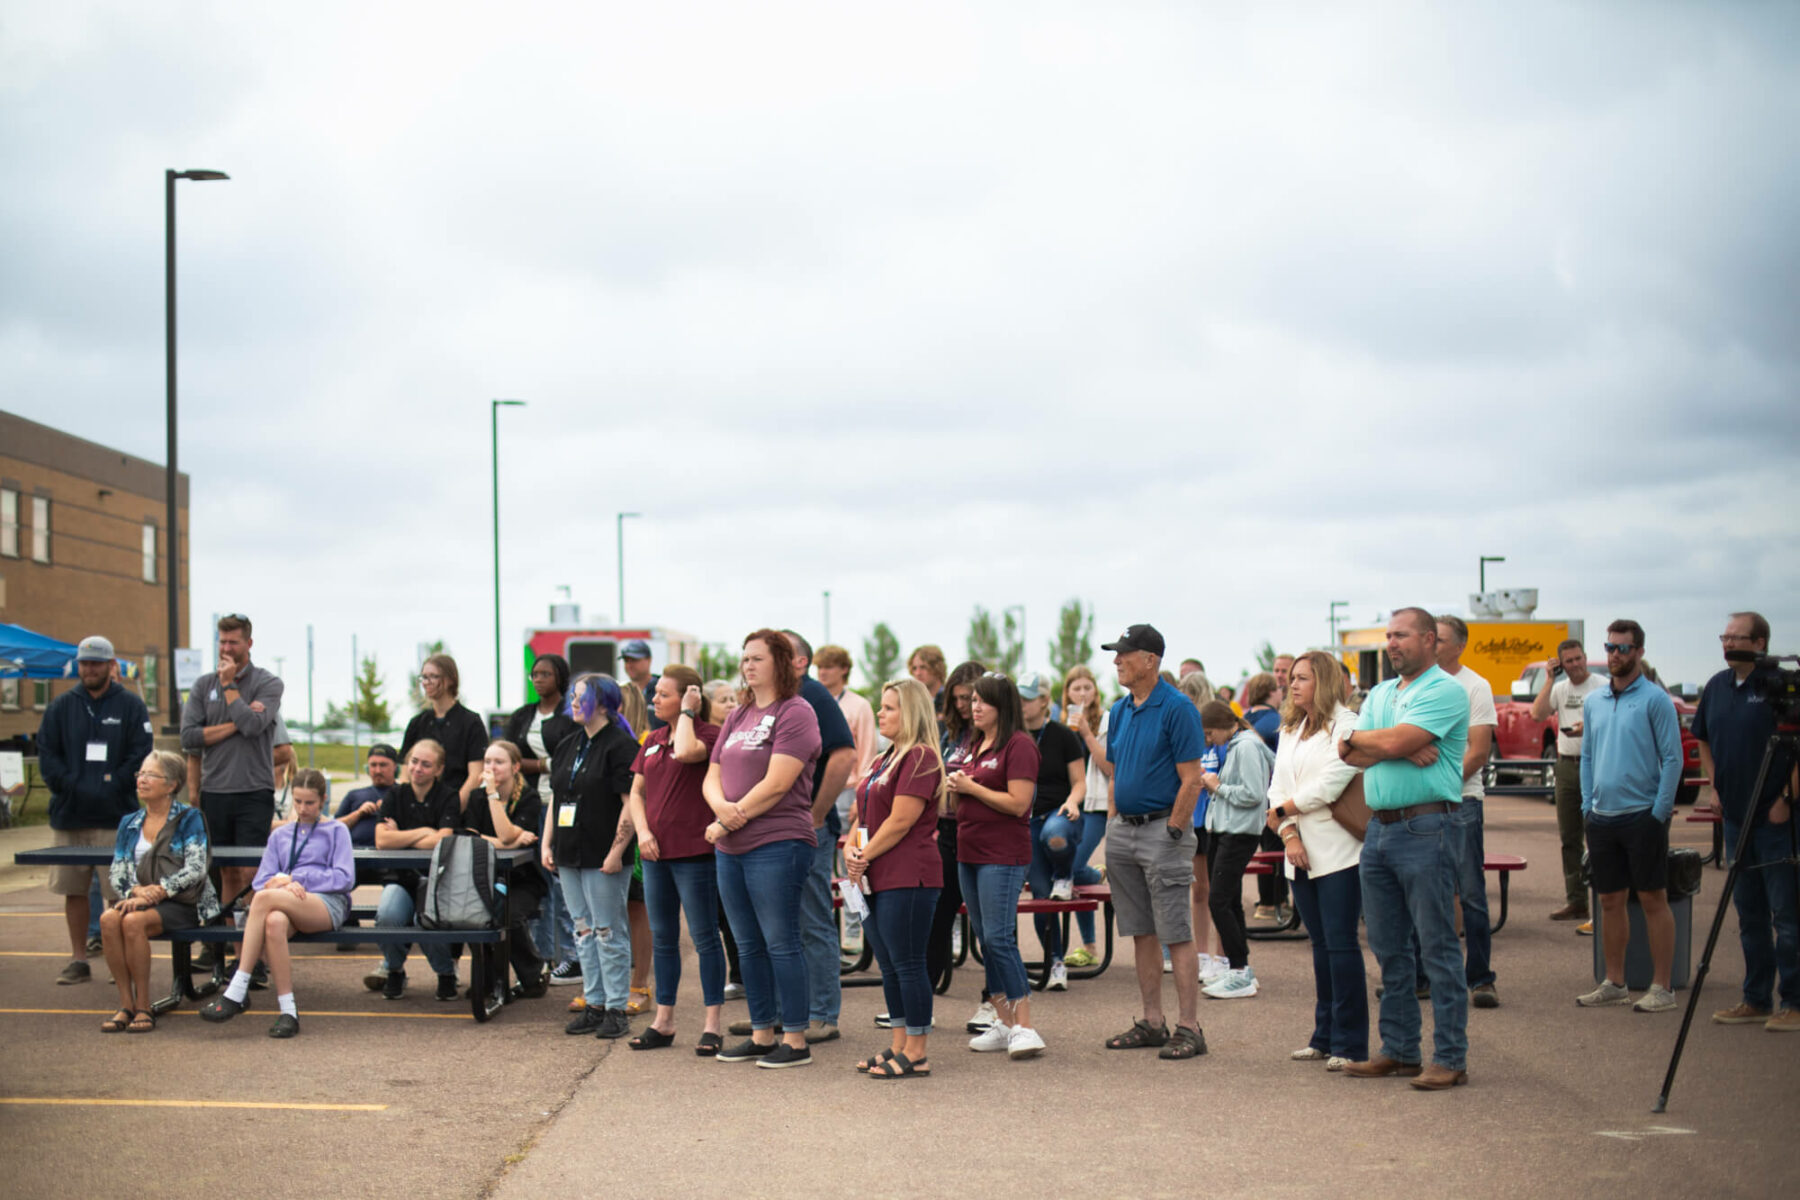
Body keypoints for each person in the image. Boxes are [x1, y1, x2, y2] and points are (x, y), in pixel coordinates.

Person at [1337, 607, 1470, 1090]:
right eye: (1389, 635)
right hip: (1379, 831)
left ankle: (1450, 1056)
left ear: (1430, 640)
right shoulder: (1382, 693)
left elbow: (1381, 742)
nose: (1392, 643)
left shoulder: (1445, 691)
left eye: (1402, 635)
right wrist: (1386, 744)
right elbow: (1345, 750)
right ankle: (1400, 1050)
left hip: (1427, 827)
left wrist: (1387, 743)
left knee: (1436, 948)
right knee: (1390, 950)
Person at [704, 630, 822, 1069]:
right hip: (730, 844)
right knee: (747, 943)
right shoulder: (740, 715)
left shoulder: (797, 712)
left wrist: (731, 817)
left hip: (777, 842)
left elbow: (777, 783)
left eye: (757, 658)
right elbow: (712, 772)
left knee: (781, 941)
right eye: (745, 658)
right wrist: (721, 811)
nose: (748, 665)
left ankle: (794, 1039)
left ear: (780, 663)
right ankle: (761, 1032)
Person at [1100, 625, 1207, 1061]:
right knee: (1141, 931)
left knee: (1176, 932)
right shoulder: (1121, 710)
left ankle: (1189, 1027)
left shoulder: (1178, 708)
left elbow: (1192, 779)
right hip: (1124, 830)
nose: (1116, 661)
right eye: (1116, 653)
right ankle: (1153, 1021)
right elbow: (1115, 771)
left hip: (1163, 830)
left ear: (1151, 660)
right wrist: (1112, 824)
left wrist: (1175, 832)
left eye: (1124, 653)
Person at [1694, 611, 1799, 1031]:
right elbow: (1702, 737)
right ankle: (1755, 998)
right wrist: (1714, 785)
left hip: (1776, 819)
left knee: (1786, 915)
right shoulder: (1718, 687)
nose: (1727, 643)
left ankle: (1793, 1001)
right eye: (1724, 636)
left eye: (1737, 637)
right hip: (1735, 817)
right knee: (1749, 913)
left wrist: (1787, 798)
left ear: (1760, 643)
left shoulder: (1779, 688)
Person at [1576, 620, 1685, 1013]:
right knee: (1609, 901)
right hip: (1602, 817)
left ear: (1639, 651)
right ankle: (1615, 982)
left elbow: (1673, 759)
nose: (1615, 655)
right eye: (1610, 647)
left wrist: (1658, 812)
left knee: (1654, 898)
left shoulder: (1655, 700)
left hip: (1643, 816)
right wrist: (1587, 805)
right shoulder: (1595, 702)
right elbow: (1587, 756)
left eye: (1623, 648)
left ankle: (1663, 987)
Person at [1268, 651, 1367, 1069]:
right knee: (1320, 946)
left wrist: (1285, 810)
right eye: (1291, 677)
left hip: (1338, 849)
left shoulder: (1347, 725)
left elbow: (1330, 784)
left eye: (1302, 677)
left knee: (1342, 944)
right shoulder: (1291, 727)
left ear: (1323, 681)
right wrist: (1288, 832)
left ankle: (1351, 1044)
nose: (1292, 684)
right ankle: (1323, 1036)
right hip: (1298, 850)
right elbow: (1276, 787)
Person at [199, 769, 354, 1037]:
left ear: (323, 800)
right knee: (273, 922)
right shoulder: (280, 836)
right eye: (297, 802)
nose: (303, 809)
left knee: (264, 899)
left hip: (327, 904)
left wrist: (297, 878)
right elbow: (262, 880)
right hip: (284, 904)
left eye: (310, 803)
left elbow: (344, 878)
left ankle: (237, 986)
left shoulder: (336, 830)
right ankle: (288, 1011)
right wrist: (283, 884)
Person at [36, 634, 152, 986]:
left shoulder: (130, 706)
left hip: (116, 818)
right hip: (70, 816)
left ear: (110, 665)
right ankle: (78, 959)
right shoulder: (61, 706)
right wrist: (70, 784)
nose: (89, 669)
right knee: (74, 891)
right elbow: (47, 753)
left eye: (96, 663)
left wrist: (113, 784)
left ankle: (122, 962)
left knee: (120, 893)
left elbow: (140, 753)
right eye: (84, 663)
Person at [845, 678, 947, 1078]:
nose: (881, 714)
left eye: (889, 707)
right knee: (888, 965)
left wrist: (862, 856)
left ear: (911, 713)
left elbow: (901, 819)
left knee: (907, 963)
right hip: (875, 873)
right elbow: (865, 818)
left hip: (909, 875)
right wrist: (852, 850)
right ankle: (898, 1044)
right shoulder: (884, 757)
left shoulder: (920, 757)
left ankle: (917, 1051)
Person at [626, 665, 727, 1054]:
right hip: (656, 854)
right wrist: (644, 833)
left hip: (695, 855)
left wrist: (688, 713)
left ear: (689, 698)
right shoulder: (651, 739)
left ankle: (711, 1024)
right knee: (664, 938)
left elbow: (687, 754)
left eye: (663, 694)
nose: (654, 699)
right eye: (655, 694)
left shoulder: (709, 737)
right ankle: (663, 1021)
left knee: (704, 938)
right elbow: (637, 793)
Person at [953, 672, 1045, 1059]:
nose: (973, 707)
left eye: (982, 701)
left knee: (999, 938)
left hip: (1002, 854)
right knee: (986, 938)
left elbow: (1018, 803)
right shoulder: (973, 743)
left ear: (1001, 706)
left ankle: (1025, 1025)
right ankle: (1004, 1022)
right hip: (968, 851)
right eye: (972, 700)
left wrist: (971, 787)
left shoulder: (1019, 745)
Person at [545, 673, 641, 1039]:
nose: (571, 702)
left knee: (607, 930)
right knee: (583, 931)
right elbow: (556, 797)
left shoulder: (619, 746)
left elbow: (630, 804)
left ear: (603, 704)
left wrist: (618, 851)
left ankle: (617, 1007)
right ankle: (594, 1002)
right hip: (569, 852)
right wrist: (547, 843)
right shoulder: (569, 744)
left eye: (580, 697)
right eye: (572, 695)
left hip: (603, 855)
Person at [96, 750, 219, 1033]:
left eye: (151, 775)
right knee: (108, 919)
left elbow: (197, 868)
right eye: (140, 774)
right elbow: (118, 870)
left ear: (172, 784)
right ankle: (125, 1005)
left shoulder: (190, 818)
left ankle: (143, 1006)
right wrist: (135, 892)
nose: (142, 780)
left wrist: (159, 891)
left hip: (183, 903)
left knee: (132, 921)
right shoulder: (129, 822)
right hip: (140, 900)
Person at [781, 630, 857, 1044]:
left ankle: (822, 1015)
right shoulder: (773, 699)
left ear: (800, 661)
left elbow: (844, 753)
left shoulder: (813, 695)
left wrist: (817, 814)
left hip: (807, 830)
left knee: (812, 920)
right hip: (773, 831)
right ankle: (785, 1014)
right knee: (781, 925)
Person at [180, 614, 283, 914]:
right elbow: (189, 736)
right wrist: (235, 723)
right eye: (222, 641)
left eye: (233, 642)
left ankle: (253, 944)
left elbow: (253, 727)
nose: (226, 648)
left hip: (254, 791)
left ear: (248, 643)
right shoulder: (202, 686)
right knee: (222, 870)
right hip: (215, 791)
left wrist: (229, 688)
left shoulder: (268, 683)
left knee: (250, 871)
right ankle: (224, 943)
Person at [1436, 615, 1501, 1008]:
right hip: (1420, 806)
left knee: (1471, 893)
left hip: (1462, 803)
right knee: (1427, 895)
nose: (1433, 645)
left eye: (1440, 640)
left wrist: (1432, 782)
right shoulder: (1413, 687)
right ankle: (1427, 976)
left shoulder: (1475, 687)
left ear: (1459, 645)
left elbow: (1477, 753)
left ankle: (1480, 978)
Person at [455, 740, 548, 998]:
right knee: (477, 915)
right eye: (487, 762)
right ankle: (488, 978)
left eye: (498, 762)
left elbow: (505, 835)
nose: (491, 767)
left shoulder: (529, 797)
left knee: (508, 915)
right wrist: (511, 840)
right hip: (484, 877)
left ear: (515, 766)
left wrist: (493, 797)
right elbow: (474, 839)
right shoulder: (475, 797)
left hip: (523, 880)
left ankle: (532, 973)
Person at [368, 740, 459, 1000]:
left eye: (426, 764)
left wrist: (402, 836)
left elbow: (443, 840)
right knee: (387, 916)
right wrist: (422, 832)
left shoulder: (448, 796)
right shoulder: (395, 795)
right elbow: (382, 841)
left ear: (438, 769)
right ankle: (395, 970)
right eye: (414, 761)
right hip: (400, 877)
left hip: (435, 879)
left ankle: (445, 973)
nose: (417, 768)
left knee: (427, 918)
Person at [1199, 701, 1275, 999]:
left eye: (1209, 733)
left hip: (1238, 831)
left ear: (1220, 726)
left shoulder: (1245, 747)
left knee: (1218, 901)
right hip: (1227, 829)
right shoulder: (1239, 744)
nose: (1209, 740)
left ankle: (1240, 970)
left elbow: (1254, 794)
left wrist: (1218, 787)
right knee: (1227, 899)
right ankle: (1239, 968)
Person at [1016, 671, 1086, 992]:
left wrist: (1073, 802)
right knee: (1042, 897)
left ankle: (1067, 873)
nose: (1022, 703)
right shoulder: (1013, 735)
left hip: (1059, 814)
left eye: (1028, 698)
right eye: (1019, 697)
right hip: (1025, 819)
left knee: (1054, 836)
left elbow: (1080, 782)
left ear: (1045, 701)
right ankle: (1055, 961)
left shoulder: (1063, 735)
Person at [930, 660, 990, 1031]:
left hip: (986, 835)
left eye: (971, 698)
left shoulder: (1002, 737)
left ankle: (994, 1004)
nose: (965, 706)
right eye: (958, 699)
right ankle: (918, 1001)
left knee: (990, 928)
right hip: (948, 833)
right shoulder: (950, 734)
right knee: (936, 917)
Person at [1532, 638, 1606, 922]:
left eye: (1578, 659)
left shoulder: (1600, 686)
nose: (1575, 665)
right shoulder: (1560, 689)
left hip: (1596, 765)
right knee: (1569, 837)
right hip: (1566, 765)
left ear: (1585, 658)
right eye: (1569, 661)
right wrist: (1549, 680)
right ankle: (1576, 901)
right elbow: (1537, 714)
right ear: (1561, 664)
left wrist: (1587, 728)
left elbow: (1611, 717)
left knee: (1598, 834)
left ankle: (1603, 900)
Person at [1051, 664, 1111, 967]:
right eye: (1077, 688)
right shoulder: (1058, 726)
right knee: (1069, 869)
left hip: (1096, 807)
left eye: (1088, 687)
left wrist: (1087, 732)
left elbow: (1108, 767)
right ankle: (1089, 946)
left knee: (1071, 867)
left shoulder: (1106, 723)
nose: (1083, 693)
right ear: (1067, 694)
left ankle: (1089, 945)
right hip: (1070, 806)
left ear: (1096, 692)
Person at [1179, 670, 1225, 980]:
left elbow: (1222, 775)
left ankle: (1223, 956)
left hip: (1216, 820)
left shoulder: (1217, 736)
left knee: (1221, 890)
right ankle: (1201, 953)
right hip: (1194, 819)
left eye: (1192, 699)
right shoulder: (1187, 733)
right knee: (1198, 889)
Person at [400, 654, 489, 810]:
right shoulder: (417, 723)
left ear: (450, 680)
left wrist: (452, 810)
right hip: (419, 809)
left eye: (433, 677)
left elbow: (476, 775)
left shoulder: (471, 722)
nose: (426, 683)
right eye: (424, 678)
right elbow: (405, 773)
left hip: (457, 806)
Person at [815, 644, 879, 832]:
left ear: (844, 669)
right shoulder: (811, 702)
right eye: (819, 667)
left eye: (828, 667)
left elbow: (867, 753)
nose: (822, 672)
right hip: (817, 788)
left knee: (848, 851)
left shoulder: (860, 705)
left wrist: (861, 797)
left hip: (848, 791)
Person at [1241, 672, 1289, 924]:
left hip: (1249, 796)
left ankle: (1268, 900)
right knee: (1277, 847)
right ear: (1272, 692)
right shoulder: (1275, 721)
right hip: (1273, 794)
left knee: (1264, 847)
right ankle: (1274, 901)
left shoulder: (1244, 719)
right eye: (1280, 689)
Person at [334, 744, 397, 849]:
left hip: (391, 855)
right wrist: (358, 813)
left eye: (383, 765)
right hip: (356, 853)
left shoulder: (403, 794)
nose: (378, 771)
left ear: (395, 766)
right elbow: (333, 828)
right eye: (373, 765)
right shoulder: (354, 795)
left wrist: (390, 810)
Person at [620, 640, 665, 731]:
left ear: (649, 660)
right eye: (626, 661)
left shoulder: (663, 691)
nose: (629, 665)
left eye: (634, 660)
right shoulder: (623, 693)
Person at [908, 644, 948, 709]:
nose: (918, 673)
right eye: (914, 668)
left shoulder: (951, 699)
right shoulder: (912, 703)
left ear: (937, 668)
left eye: (923, 667)